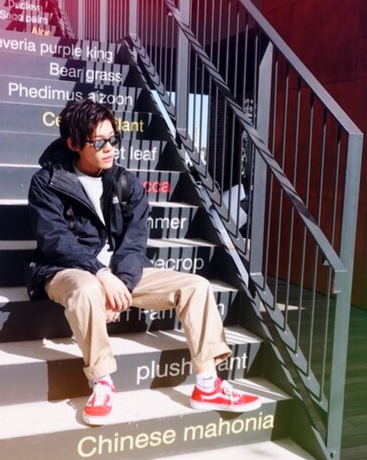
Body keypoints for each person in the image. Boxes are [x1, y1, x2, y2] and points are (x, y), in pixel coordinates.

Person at [26, 99, 259, 425]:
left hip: (119, 273)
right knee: (88, 289)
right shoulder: (48, 182)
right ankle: (102, 382)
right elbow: (55, 240)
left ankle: (208, 384)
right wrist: (101, 274)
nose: (110, 148)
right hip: (66, 270)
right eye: (99, 142)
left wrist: (120, 283)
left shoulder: (125, 182)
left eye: (113, 139)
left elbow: (134, 243)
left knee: (196, 286)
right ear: (74, 144)